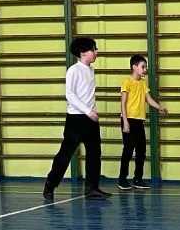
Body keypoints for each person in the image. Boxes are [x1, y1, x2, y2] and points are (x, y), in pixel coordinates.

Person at [44, 36, 109, 201]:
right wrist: (87, 111)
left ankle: (92, 188)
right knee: (65, 154)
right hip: (75, 120)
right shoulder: (73, 70)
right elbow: (70, 95)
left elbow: (88, 95)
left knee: (94, 153)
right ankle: (50, 184)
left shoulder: (91, 70)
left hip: (90, 120)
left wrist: (93, 111)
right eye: (93, 49)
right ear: (83, 52)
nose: (96, 52)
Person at [117, 53, 165, 191]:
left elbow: (148, 99)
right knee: (128, 150)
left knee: (141, 151)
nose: (145, 69)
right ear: (134, 67)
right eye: (143, 67)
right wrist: (125, 121)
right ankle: (122, 179)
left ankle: (137, 179)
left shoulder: (143, 83)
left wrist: (159, 107)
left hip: (139, 121)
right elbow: (123, 103)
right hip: (129, 120)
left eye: (145, 67)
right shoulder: (127, 82)